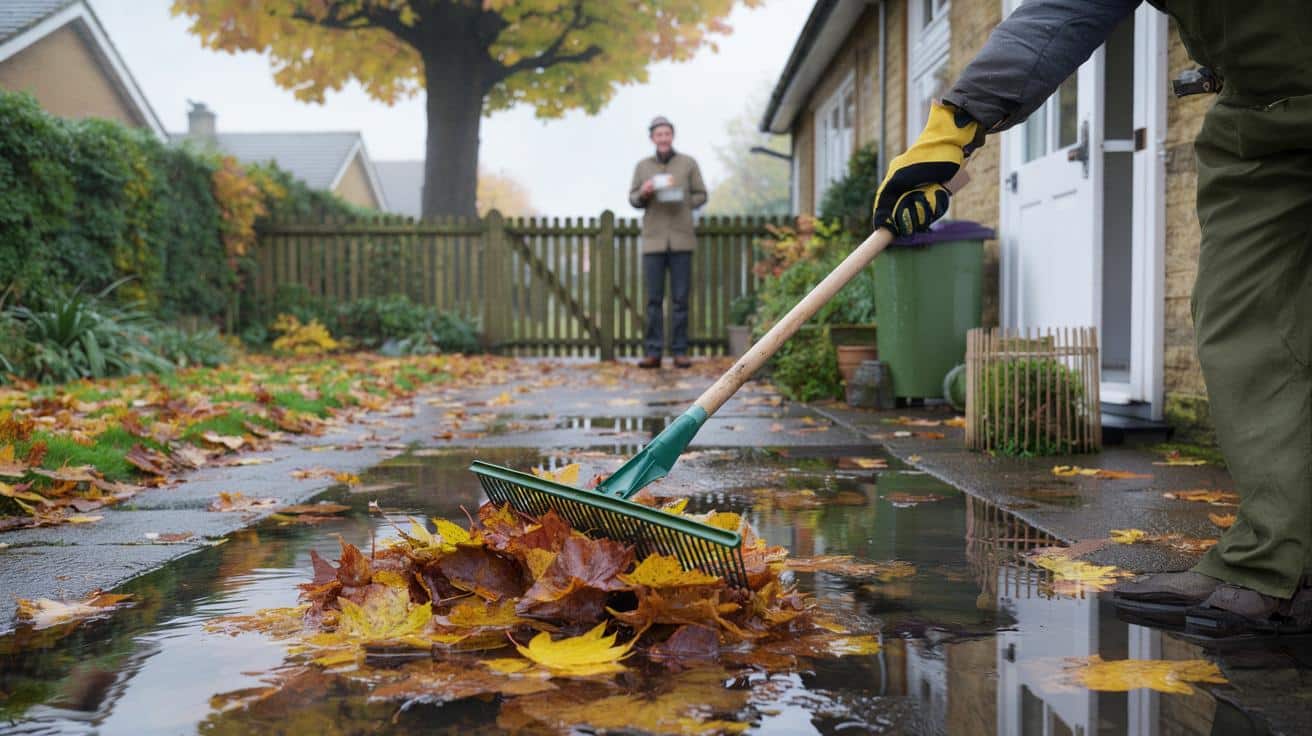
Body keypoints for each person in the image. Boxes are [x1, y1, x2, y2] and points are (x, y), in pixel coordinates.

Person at [873, 0, 1312, 636]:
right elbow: (1065, 8)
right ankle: (1277, 565)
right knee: (1243, 318)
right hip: (1263, 112)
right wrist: (956, 124)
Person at [629, 115, 708, 369]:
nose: (663, 138)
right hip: (654, 241)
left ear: (672, 136)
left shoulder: (688, 163)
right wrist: (644, 192)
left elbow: (701, 194)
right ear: (652, 137)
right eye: (658, 134)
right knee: (653, 300)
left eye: (667, 134)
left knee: (680, 299)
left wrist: (684, 201)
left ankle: (680, 351)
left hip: (682, 239)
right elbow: (632, 199)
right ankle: (653, 352)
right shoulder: (642, 167)